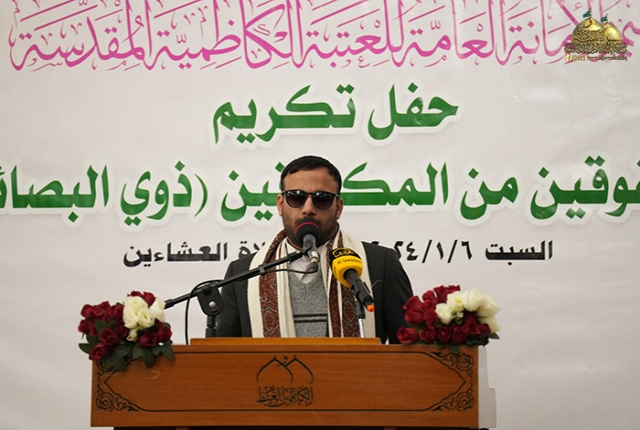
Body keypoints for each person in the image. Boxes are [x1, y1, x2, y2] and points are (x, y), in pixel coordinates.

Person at [216, 155, 413, 343]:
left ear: (338, 208)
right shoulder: (243, 273)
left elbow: (410, 350)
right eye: (296, 197)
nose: (308, 208)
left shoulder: (380, 264)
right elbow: (225, 357)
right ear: (280, 204)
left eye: (322, 198)